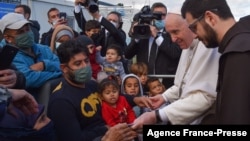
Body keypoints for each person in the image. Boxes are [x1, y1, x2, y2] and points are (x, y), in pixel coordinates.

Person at [48, 39, 152, 141]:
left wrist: (135, 100)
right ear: (64, 68)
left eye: (86, 61)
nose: (85, 66)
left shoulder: (91, 85)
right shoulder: (61, 102)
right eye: (78, 63)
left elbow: (113, 96)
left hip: (116, 130)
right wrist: (106, 132)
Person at [131, 10, 220, 128]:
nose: (172, 39)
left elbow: (205, 96)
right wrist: (164, 97)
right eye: (169, 33)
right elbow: (180, 84)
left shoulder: (209, 46)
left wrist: (157, 115)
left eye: (176, 32)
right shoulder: (186, 45)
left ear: (191, 26)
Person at [181, 0, 250, 124]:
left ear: (210, 18)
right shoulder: (241, 43)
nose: (195, 35)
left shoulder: (238, 53)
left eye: (194, 27)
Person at [0, 13, 62, 94]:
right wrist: (60, 74)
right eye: (21, 32)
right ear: (8, 38)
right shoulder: (7, 55)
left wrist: (44, 65)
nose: (26, 34)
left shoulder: (43, 49)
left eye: (27, 29)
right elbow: (29, 79)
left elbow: (61, 65)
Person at [125, 2, 182, 89]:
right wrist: (136, 37)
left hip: (166, 83)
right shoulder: (143, 33)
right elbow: (127, 54)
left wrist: (157, 36)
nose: (160, 17)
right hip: (145, 83)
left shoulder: (172, 33)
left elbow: (175, 53)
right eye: (156, 15)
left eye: (163, 15)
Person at [74, 0, 130, 74]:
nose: (111, 22)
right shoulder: (100, 32)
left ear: (119, 24)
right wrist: (77, 5)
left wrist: (97, 16)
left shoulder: (121, 34)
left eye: (114, 21)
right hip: (101, 69)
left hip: (116, 71)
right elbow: (85, 27)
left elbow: (114, 31)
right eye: (109, 20)